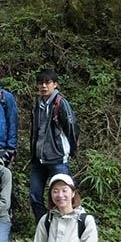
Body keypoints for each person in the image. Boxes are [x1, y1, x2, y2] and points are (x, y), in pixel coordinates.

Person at [29, 69, 80, 223]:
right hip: (38, 159)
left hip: (57, 158)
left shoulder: (61, 103)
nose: (44, 86)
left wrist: (70, 150)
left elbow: (72, 129)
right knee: (34, 195)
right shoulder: (38, 104)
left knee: (64, 195)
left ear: (55, 84)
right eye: (41, 83)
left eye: (47, 82)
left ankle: (67, 224)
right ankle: (44, 225)